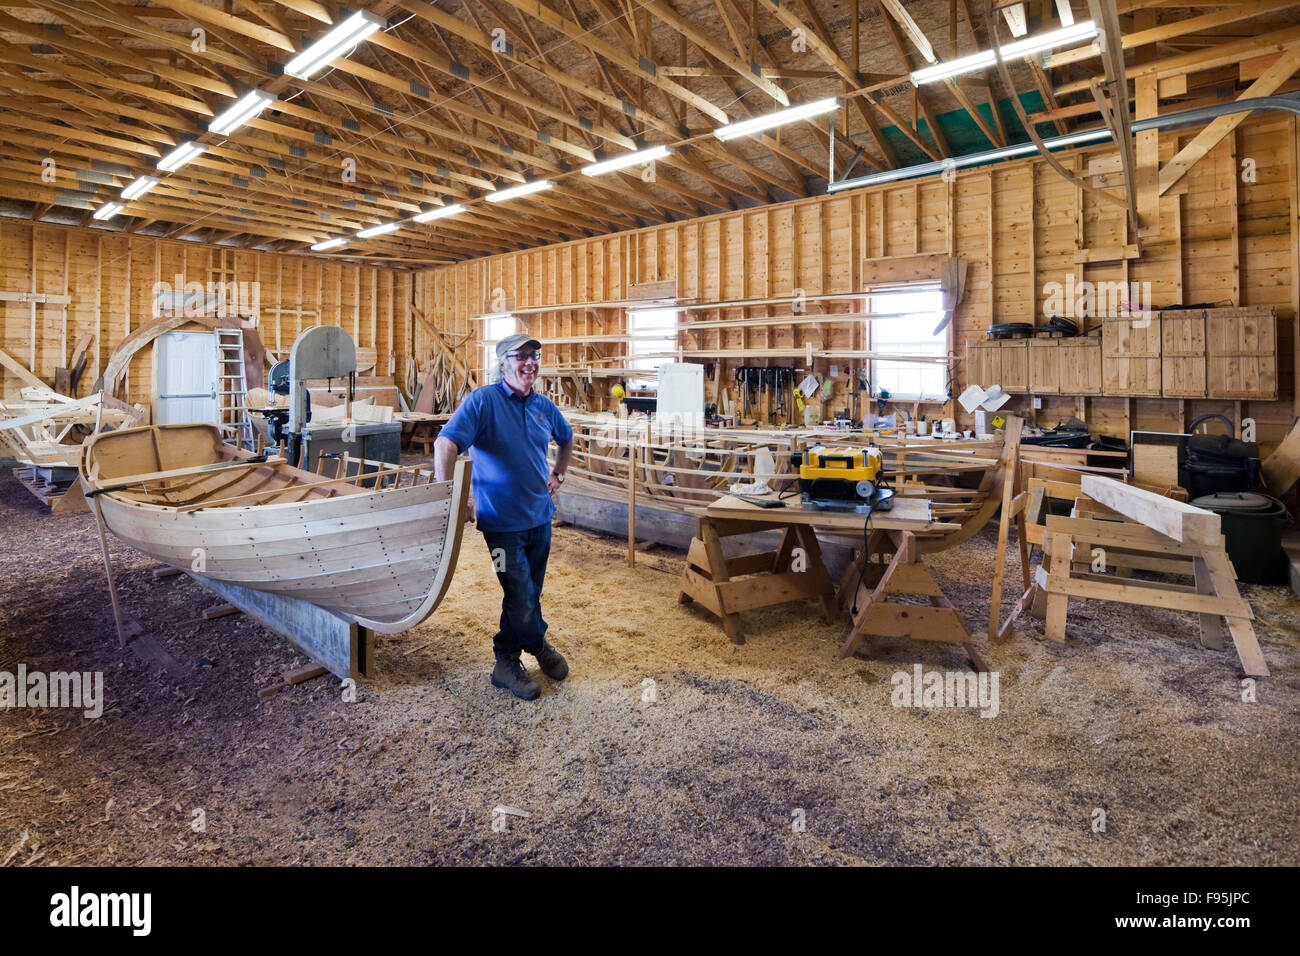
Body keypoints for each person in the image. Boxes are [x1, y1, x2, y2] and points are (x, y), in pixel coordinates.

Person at [434, 332, 575, 701]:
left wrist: (557, 474)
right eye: (520, 356)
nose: (530, 362)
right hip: (501, 523)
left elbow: (567, 438)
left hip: (539, 517)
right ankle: (534, 647)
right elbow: (445, 443)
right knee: (520, 594)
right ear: (502, 363)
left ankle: (507, 661)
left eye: (535, 355)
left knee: (528, 593)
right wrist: (451, 496)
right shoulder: (483, 402)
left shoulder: (544, 406)